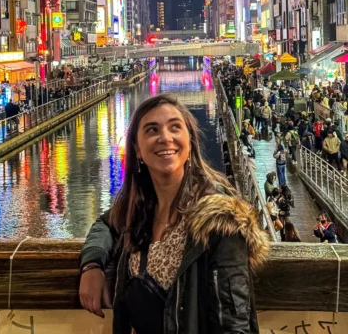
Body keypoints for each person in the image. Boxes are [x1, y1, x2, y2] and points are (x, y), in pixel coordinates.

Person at [79, 94, 269, 332]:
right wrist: (92, 266)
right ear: (137, 150)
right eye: (152, 130)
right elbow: (105, 224)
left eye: (175, 128)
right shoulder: (140, 208)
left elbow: (234, 323)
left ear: (189, 142)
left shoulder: (219, 218)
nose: (165, 138)